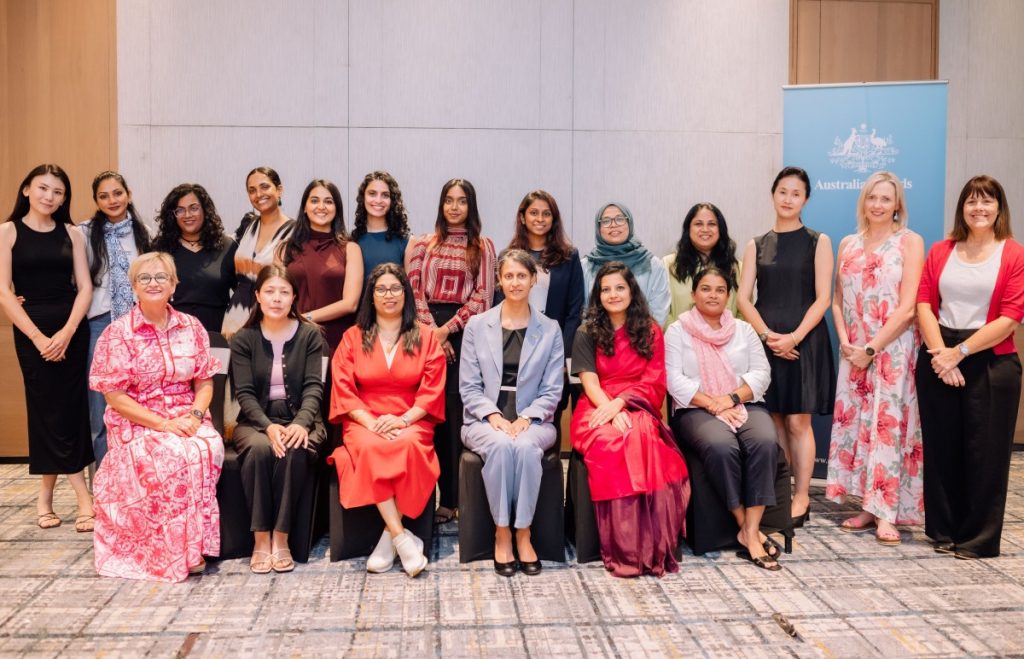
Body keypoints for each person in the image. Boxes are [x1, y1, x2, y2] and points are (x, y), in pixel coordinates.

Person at [88, 252, 224, 582]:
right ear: (134, 286)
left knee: (207, 448)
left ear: (174, 285)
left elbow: (204, 382)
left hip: (185, 414)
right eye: (145, 278)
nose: (153, 283)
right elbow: (114, 396)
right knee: (172, 456)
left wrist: (193, 415)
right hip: (137, 420)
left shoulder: (191, 327)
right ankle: (172, 552)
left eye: (161, 277)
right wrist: (162, 424)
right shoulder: (118, 333)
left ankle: (195, 546)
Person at [916, 175, 1024, 560]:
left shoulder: (1013, 254)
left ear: (999, 209)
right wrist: (940, 354)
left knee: (986, 452)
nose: (979, 208)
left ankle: (978, 538)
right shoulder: (942, 250)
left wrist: (957, 353)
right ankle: (944, 530)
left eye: (987, 202)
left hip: (990, 359)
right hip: (938, 355)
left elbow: (1010, 318)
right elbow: (924, 304)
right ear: (962, 208)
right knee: (943, 449)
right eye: (971, 202)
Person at [570, 261, 689, 578]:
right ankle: (624, 547)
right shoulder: (587, 331)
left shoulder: (650, 329)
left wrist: (623, 403)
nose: (612, 294)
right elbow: (589, 381)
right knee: (610, 441)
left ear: (631, 290)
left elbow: (654, 379)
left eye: (619, 287)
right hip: (596, 404)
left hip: (638, 402)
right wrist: (610, 407)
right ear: (598, 295)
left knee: (642, 439)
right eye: (605, 289)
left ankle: (649, 544)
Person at [328, 263, 446, 577]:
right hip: (364, 420)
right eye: (381, 289)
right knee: (369, 448)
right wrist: (369, 421)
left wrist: (404, 419)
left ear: (406, 294)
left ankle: (389, 539)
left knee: (406, 446)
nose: (389, 295)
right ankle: (403, 539)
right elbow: (343, 386)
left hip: (412, 420)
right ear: (372, 295)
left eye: (395, 288)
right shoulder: (353, 337)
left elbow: (432, 388)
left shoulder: (425, 337)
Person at [826, 172, 925, 545]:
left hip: (891, 352)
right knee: (861, 427)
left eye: (886, 199)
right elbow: (837, 300)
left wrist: (872, 349)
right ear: (863, 202)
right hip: (853, 353)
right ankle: (868, 506)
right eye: (872, 198)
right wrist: (848, 344)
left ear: (898, 203)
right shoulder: (848, 244)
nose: (878, 205)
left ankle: (888, 513)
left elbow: (908, 307)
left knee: (887, 426)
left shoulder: (910, 242)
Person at [737, 166, 835, 525]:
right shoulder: (756, 244)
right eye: (783, 191)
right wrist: (767, 337)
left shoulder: (818, 241)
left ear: (805, 199)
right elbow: (744, 299)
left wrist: (793, 337)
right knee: (774, 422)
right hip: (766, 340)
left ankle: (802, 497)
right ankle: (778, 494)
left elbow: (824, 297)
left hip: (805, 340)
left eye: (796, 193)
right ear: (773, 194)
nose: (788, 199)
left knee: (797, 422)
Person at [0, 164, 94, 531]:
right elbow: (4, 292)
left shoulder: (72, 233)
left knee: (70, 411)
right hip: (30, 332)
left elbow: (84, 287)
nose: (49, 197)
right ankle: (84, 498)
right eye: (42, 189)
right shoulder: (7, 232)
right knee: (45, 410)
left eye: (58, 192)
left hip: (71, 329)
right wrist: (39, 338)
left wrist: (68, 332)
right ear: (26, 189)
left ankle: (44, 499)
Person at [666, 267, 780, 570]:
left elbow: (762, 374)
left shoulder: (743, 330)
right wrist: (711, 403)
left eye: (719, 289)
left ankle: (750, 531)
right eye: (705, 288)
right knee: (721, 446)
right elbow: (673, 379)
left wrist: (729, 399)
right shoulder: (677, 330)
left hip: (744, 403)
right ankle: (747, 528)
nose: (713, 295)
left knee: (765, 441)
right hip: (694, 408)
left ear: (728, 296)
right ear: (693, 295)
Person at [460, 249, 564, 577]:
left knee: (524, 447)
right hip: (483, 418)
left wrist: (527, 419)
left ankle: (524, 532)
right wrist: (493, 417)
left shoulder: (550, 329)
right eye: (509, 276)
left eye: (522, 275)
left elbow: (552, 390)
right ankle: (503, 532)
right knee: (502, 445)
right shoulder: (477, 326)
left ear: (534, 280)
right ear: (500, 280)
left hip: (535, 419)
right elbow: (469, 387)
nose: (515, 282)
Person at [406, 178, 496, 525]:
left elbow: (484, 296)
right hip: (425, 334)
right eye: (449, 200)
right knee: (431, 414)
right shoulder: (422, 245)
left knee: (460, 414)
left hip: (466, 335)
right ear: (441, 204)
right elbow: (413, 293)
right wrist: (433, 334)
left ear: (471, 207)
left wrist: (447, 331)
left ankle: (459, 498)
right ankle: (433, 496)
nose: (455, 207)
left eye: (462, 201)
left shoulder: (483, 246)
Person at [230, 265, 327, 574]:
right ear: (257, 296)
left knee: (294, 448)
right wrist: (269, 427)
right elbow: (244, 393)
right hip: (256, 422)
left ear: (294, 297)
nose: (276, 299)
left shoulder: (311, 334)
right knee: (260, 449)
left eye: (284, 292)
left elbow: (315, 385)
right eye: (269, 291)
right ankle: (261, 539)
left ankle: (281, 537)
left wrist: (301, 422)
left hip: (304, 419)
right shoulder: (243, 338)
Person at [79, 171, 151, 466]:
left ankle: (135, 483)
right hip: (100, 323)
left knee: (139, 402)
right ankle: (103, 488)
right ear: (96, 200)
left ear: (128, 194)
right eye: (104, 196)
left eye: (117, 193)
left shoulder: (144, 231)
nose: (112, 200)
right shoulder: (83, 232)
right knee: (100, 408)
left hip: (138, 323)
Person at [277, 178, 363, 354]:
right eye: (314, 200)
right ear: (305, 208)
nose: (321, 206)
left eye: (328, 201)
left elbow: (351, 303)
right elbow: (274, 293)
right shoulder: (285, 249)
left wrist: (306, 318)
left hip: (336, 341)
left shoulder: (350, 249)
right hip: (292, 336)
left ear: (336, 209)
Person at [153, 183, 237, 333]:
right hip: (171, 332)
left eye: (194, 208)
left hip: (216, 333)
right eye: (180, 210)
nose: (187, 215)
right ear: (173, 215)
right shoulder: (161, 247)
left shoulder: (227, 246)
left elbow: (242, 293)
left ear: (205, 210)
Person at [222, 166, 295, 339]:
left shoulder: (296, 232)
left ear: (279, 190)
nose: (258, 194)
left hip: (271, 315)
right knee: (232, 365)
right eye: (252, 190)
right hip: (236, 315)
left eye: (265, 187)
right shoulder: (247, 225)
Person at [581, 203, 670, 326]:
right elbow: (582, 311)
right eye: (606, 221)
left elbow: (659, 311)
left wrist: (637, 339)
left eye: (619, 219)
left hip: (640, 340)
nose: (613, 225)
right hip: (595, 339)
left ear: (629, 223)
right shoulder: (586, 266)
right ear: (598, 227)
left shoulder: (652, 264)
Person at [663, 202, 740, 325]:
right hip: (681, 340)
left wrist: (728, 338)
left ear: (721, 229)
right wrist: (680, 336)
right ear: (688, 229)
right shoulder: (668, 265)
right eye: (698, 224)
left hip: (728, 341)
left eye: (712, 224)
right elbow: (663, 312)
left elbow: (743, 311)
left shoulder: (737, 268)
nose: (705, 229)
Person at [352, 171, 410, 274]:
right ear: (363, 197)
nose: (378, 200)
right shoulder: (352, 241)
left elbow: (410, 288)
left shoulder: (406, 241)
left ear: (392, 200)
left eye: (385, 195)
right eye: (372, 194)